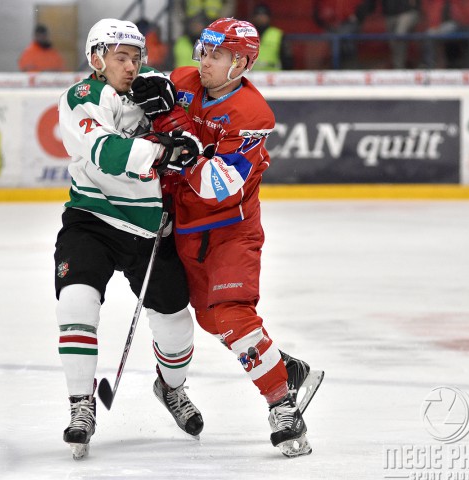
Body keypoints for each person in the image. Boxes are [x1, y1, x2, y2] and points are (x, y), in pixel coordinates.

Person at [130, 17, 324, 457]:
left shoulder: (252, 115)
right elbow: (150, 125)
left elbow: (217, 185)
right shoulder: (183, 81)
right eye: (204, 50)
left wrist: (172, 128)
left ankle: (282, 405)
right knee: (210, 319)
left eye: (216, 55)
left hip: (232, 230)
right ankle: (286, 369)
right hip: (187, 228)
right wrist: (142, 93)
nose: (204, 61)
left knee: (233, 313)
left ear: (241, 64)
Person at [54, 17, 204, 460]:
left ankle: (171, 388)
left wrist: (177, 128)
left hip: (149, 229)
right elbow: (104, 151)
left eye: (136, 57)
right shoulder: (82, 97)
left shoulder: (154, 88)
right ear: (96, 58)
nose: (130, 66)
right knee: (75, 301)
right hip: (93, 220)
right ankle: (81, 404)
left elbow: (191, 135)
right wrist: (163, 150)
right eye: (120, 57)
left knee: (177, 323)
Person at [356, 0, 422, 68]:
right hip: (389, 13)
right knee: (393, 42)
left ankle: (400, 67)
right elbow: (370, 3)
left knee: (399, 35)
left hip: (408, 12)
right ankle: (399, 66)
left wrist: (416, 6)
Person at [422, 0, 469, 68]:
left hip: (466, 25)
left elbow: (467, 16)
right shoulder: (441, 3)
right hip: (450, 25)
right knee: (430, 34)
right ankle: (430, 66)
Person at [313, 0, 365, 68]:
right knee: (327, 38)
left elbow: (362, 11)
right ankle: (333, 66)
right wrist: (328, 21)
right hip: (329, 26)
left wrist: (354, 17)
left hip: (348, 25)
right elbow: (318, 14)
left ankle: (348, 65)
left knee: (344, 40)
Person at [251, 5, 293, 70]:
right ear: (253, 17)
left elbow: (287, 59)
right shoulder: (248, 34)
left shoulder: (278, 34)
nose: (261, 17)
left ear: (269, 17)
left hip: (273, 74)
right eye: (258, 14)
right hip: (251, 74)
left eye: (264, 14)